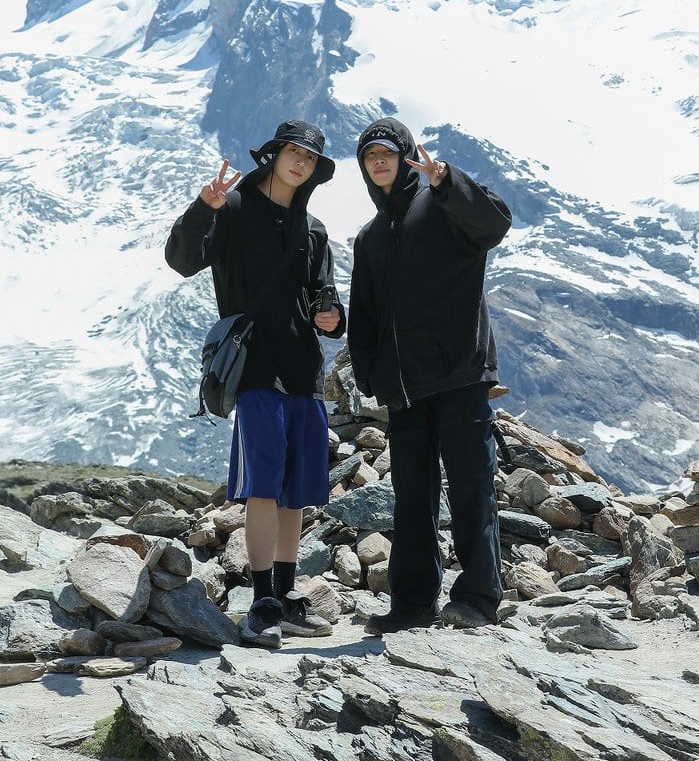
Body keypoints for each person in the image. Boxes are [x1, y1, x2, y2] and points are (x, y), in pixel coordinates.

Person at [165, 120, 345, 647]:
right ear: (273, 155)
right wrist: (204, 207)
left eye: (309, 159)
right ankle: (260, 602)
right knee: (263, 488)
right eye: (293, 153)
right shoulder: (236, 209)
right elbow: (181, 261)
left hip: (304, 373)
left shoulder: (312, 231)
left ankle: (285, 599)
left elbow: (323, 295)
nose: (300, 163)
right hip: (256, 372)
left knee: (296, 494)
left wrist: (333, 315)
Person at [347, 117, 512, 633]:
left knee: (471, 489)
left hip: (459, 374)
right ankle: (413, 604)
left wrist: (448, 181)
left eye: (387, 153)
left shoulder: (442, 206)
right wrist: (372, 371)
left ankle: (478, 598)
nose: (379, 162)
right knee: (411, 498)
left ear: (403, 156)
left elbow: (494, 224)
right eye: (369, 155)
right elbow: (366, 311)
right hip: (404, 388)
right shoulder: (371, 236)